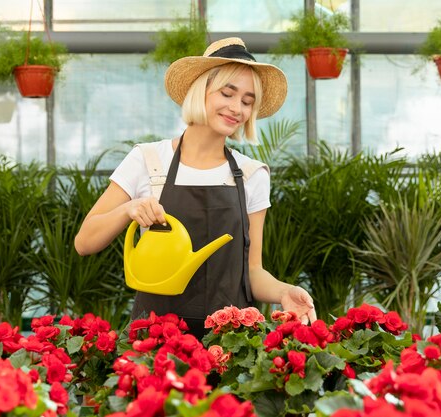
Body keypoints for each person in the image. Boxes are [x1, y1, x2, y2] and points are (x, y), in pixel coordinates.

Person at [74, 37, 316, 338]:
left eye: (247, 101)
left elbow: (252, 272)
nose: (236, 108)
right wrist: (128, 209)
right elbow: (84, 242)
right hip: (157, 344)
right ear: (200, 92)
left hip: (230, 347)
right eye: (227, 94)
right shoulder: (149, 161)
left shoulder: (252, 175)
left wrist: (284, 292)